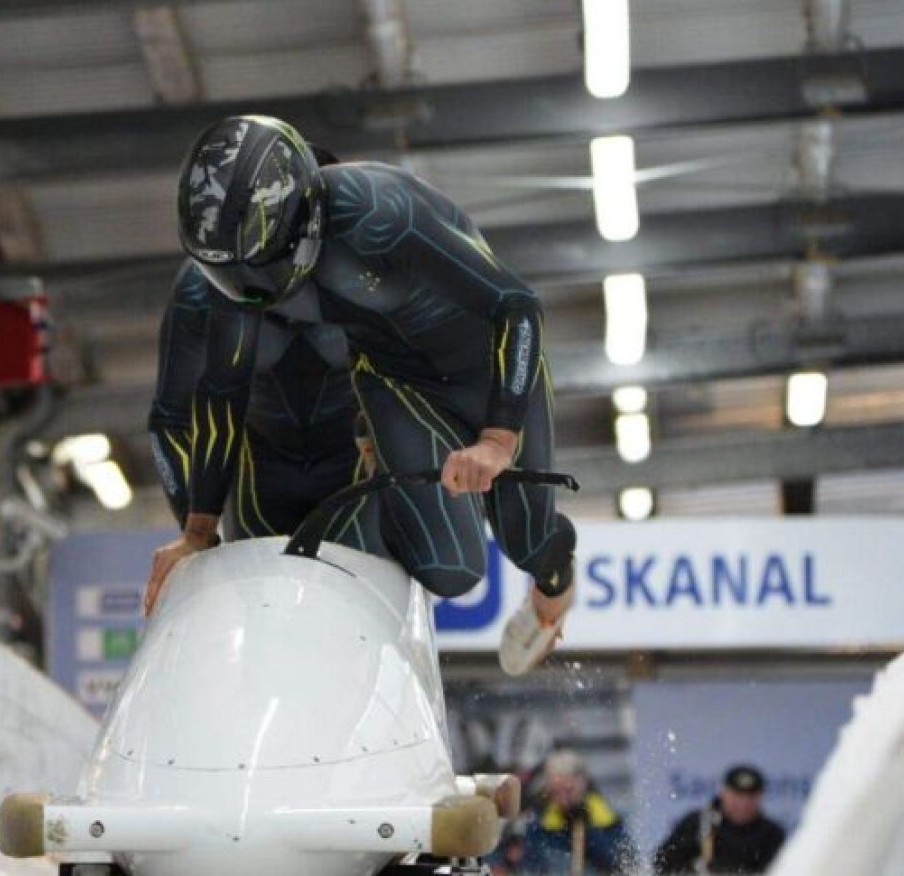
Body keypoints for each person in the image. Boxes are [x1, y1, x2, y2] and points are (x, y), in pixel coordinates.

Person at [145, 114, 576, 674]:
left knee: (528, 536)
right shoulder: (234, 284)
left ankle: (553, 595)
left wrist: (496, 438)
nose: (253, 293)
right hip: (393, 376)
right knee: (453, 572)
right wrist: (197, 532)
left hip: (481, 371)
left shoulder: (380, 215)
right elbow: (219, 394)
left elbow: (515, 306)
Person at [144, 258, 381, 613]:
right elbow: (169, 418)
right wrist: (195, 533)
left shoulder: (366, 269)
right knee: (265, 613)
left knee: (360, 609)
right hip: (261, 474)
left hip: (354, 466)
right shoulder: (201, 285)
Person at [522, 750, 639, 875]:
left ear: (582, 784)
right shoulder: (540, 826)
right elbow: (533, 866)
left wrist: (589, 831)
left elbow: (624, 863)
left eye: (568, 790)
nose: (563, 799)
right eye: (556, 792)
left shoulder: (607, 817)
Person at [653, 765, 786, 875]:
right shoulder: (697, 823)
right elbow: (661, 863)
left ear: (760, 797)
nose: (743, 803)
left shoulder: (773, 834)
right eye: (737, 795)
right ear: (724, 792)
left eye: (750, 797)